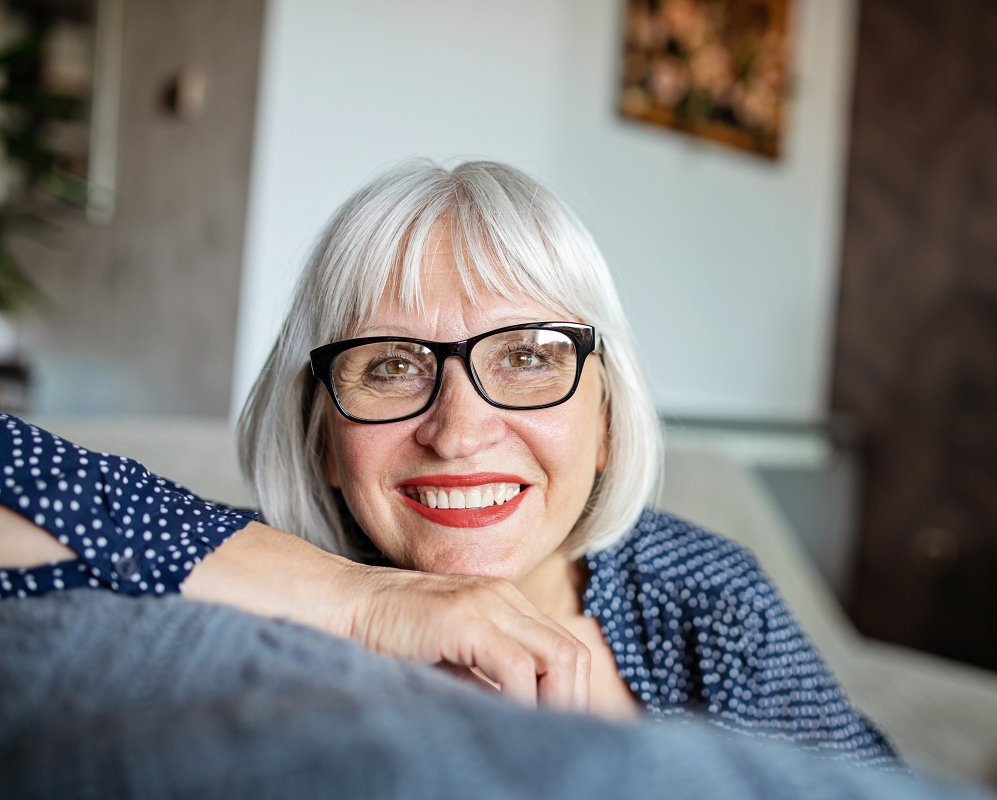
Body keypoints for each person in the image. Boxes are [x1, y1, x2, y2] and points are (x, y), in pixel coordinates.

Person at [0, 160, 896, 766]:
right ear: (322, 440)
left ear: (609, 421)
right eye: (390, 366)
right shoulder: (236, 599)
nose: (460, 430)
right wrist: (365, 602)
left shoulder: (706, 601)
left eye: (529, 356)